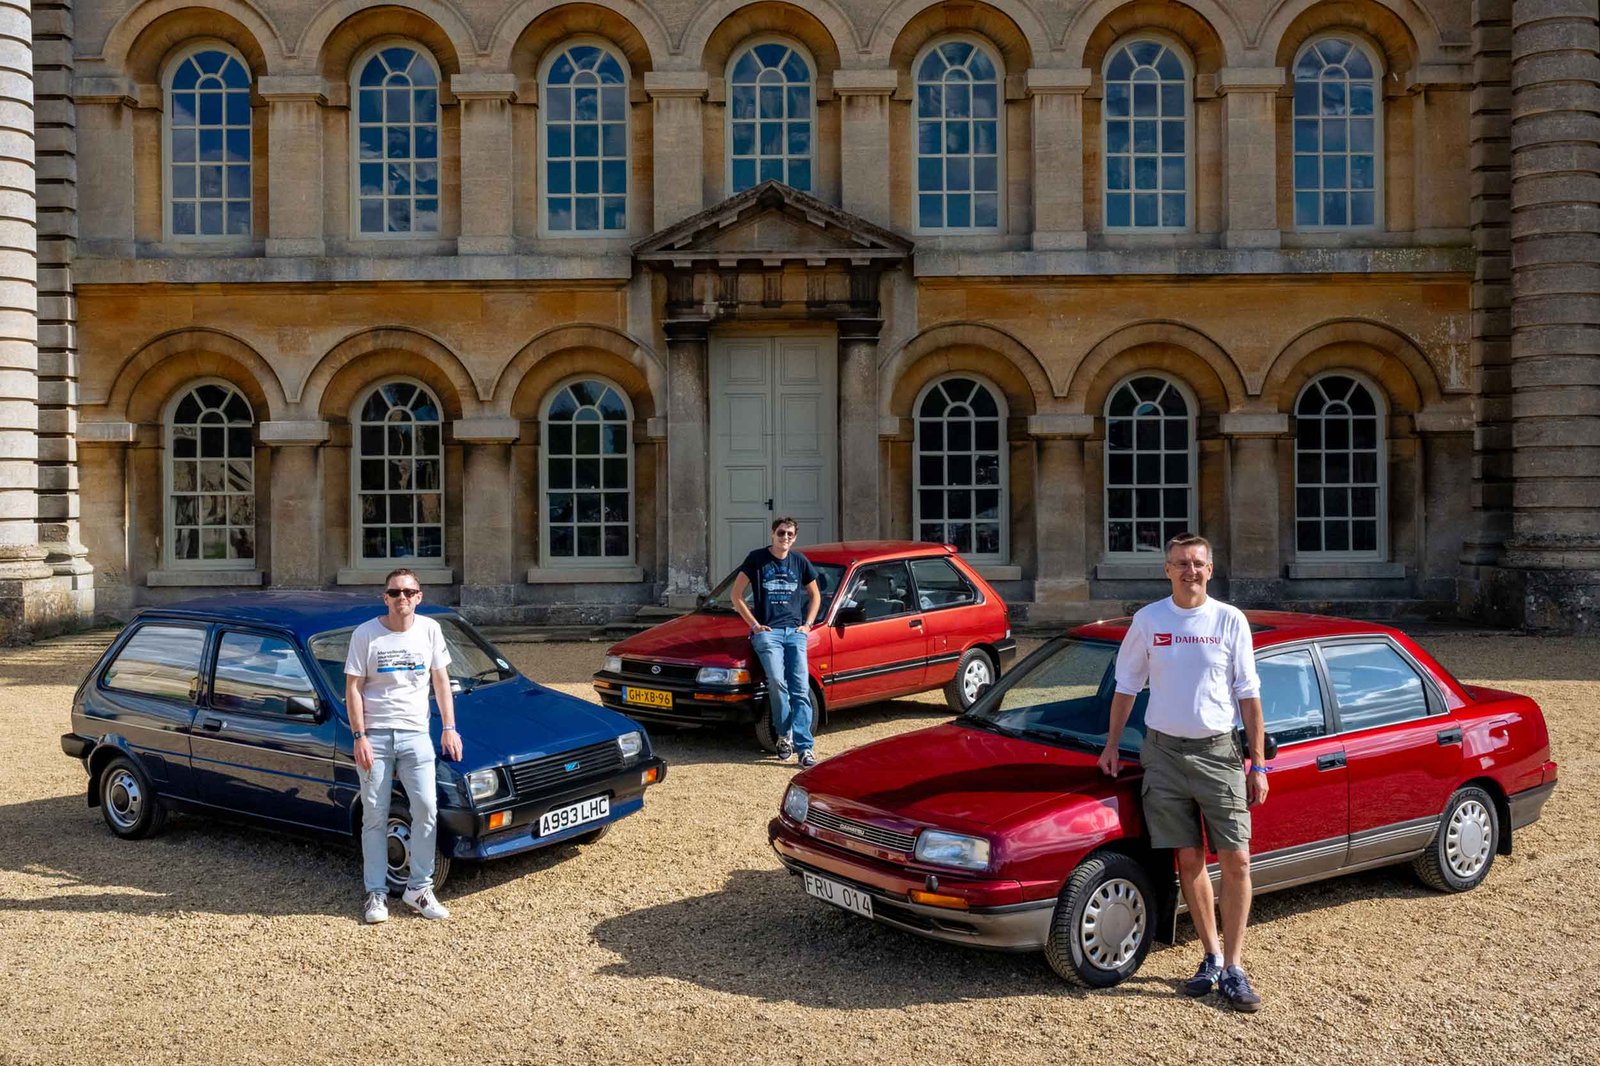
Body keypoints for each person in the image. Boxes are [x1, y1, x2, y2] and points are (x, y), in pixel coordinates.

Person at [1096, 533, 1269, 1011]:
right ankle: (1210, 956)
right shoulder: (1149, 620)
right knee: (1188, 859)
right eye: (1181, 563)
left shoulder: (1229, 620)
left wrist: (1258, 763)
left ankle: (1234, 967)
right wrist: (1112, 744)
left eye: (1197, 563)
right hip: (1163, 754)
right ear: (1167, 570)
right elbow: (1126, 685)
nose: (1189, 571)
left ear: (1210, 569)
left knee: (1237, 859)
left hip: (1219, 753)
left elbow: (1248, 693)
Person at [344, 567, 463, 924]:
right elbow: (353, 688)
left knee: (426, 809)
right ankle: (376, 893)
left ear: (419, 597)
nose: (402, 598)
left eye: (409, 592)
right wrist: (359, 736)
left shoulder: (430, 630)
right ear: (385, 597)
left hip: (416, 735)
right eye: (395, 592)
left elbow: (440, 681)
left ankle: (419, 889)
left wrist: (449, 728)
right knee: (374, 816)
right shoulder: (365, 634)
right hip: (376, 736)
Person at [730, 517, 822, 767]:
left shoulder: (799, 561)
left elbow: (815, 595)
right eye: (781, 533)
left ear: (795, 537)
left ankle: (805, 748)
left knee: (800, 688)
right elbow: (736, 595)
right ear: (772, 534)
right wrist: (755, 626)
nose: (785, 538)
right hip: (768, 633)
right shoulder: (757, 558)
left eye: (790, 534)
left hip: (795, 632)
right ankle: (784, 735)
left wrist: (808, 625)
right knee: (777, 683)